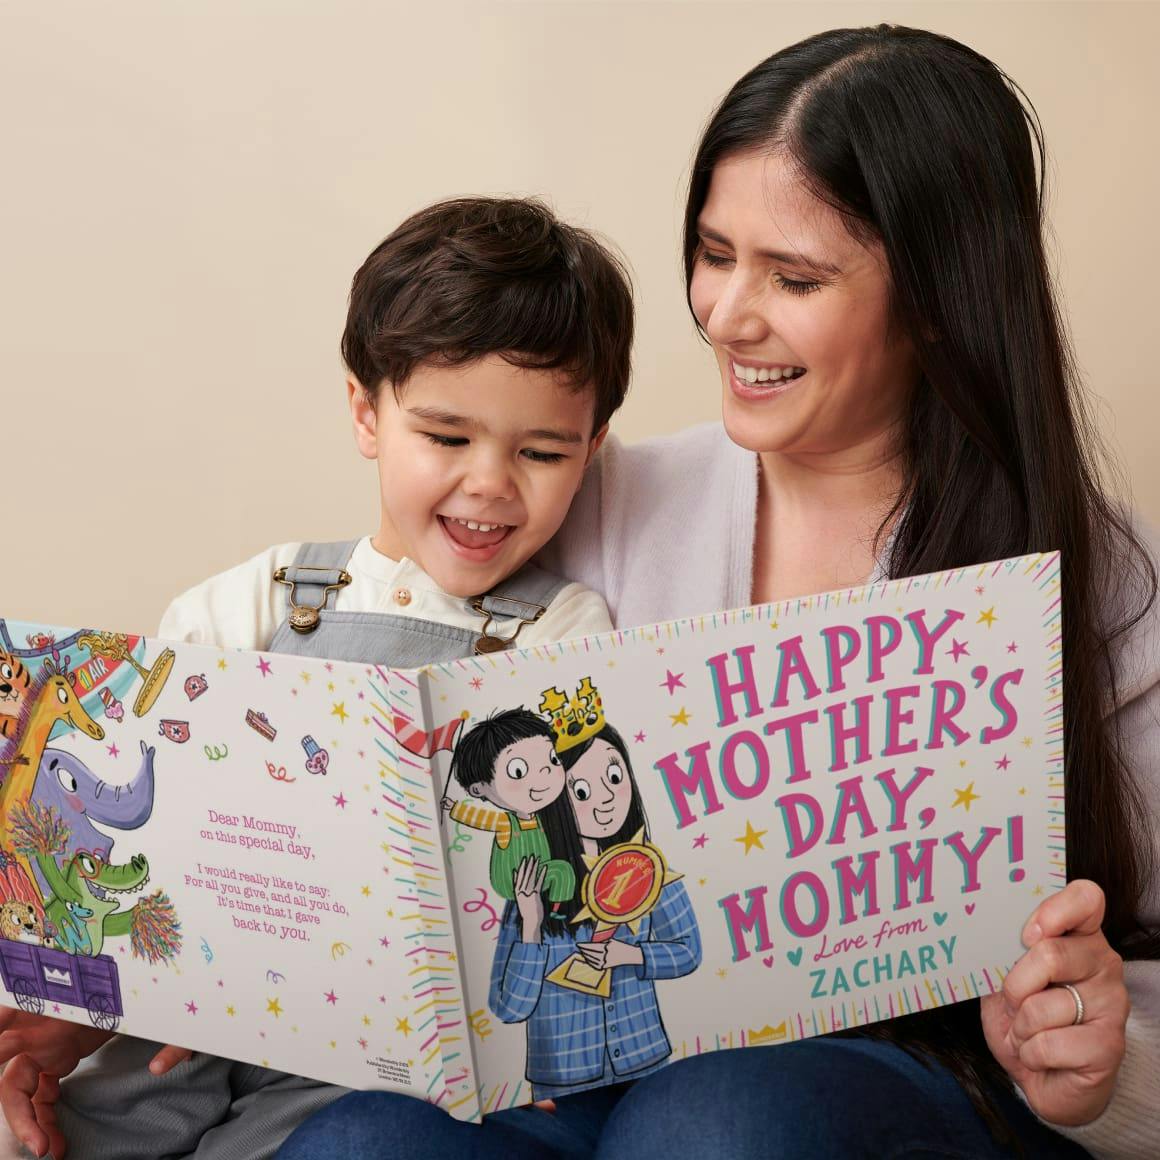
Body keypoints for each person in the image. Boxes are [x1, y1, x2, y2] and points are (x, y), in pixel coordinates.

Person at [275, 24, 1159, 1160]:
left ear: (936, 297)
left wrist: (1095, 1057)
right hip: (586, 1061)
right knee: (364, 1143)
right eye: (711, 251)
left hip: (915, 1092)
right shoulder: (589, 495)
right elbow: (372, 671)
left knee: (716, 1119)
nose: (725, 314)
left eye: (792, 277)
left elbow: (1130, 1010)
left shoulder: (1099, 585)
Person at [0, 195, 633, 1160]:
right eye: (446, 437)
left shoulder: (566, 634)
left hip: (374, 1061)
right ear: (365, 412)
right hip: (184, 1020)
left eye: (541, 452)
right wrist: (71, 1015)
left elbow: (567, 862)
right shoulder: (256, 601)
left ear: (591, 451)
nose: (490, 483)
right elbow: (126, 845)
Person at [491, 721, 701, 1100]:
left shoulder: (648, 866)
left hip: (645, 1061)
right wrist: (532, 927)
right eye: (582, 791)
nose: (605, 799)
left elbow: (688, 951)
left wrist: (631, 955)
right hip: (563, 1081)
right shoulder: (533, 883)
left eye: (615, 777)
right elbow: (508, 1007)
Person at [442, 708, 576, 913]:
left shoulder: (541, 817)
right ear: (478, 789)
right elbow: (480, 818)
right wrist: (454, 809)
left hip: (541, 876)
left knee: (565, 871)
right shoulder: (506, 823)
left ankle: (557, 910)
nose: (545, 771)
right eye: (518, 771)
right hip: (512, 881)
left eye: (552, 759)